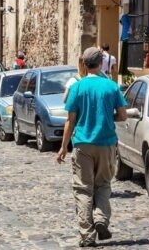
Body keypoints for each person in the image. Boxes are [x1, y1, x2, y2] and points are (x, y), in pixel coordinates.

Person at [57, 46, 128, 248]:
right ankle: (101, 219)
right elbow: (123, 115)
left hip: (82, 144)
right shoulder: (111, 86)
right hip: (106, 143)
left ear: (84, 64)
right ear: (101, 63)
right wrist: (108, 117)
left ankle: (87, 236)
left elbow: (70, 121)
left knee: (83, 189)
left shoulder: (78, 87)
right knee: (103, 184)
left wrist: (63, 147)